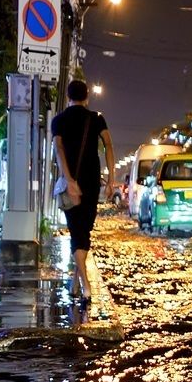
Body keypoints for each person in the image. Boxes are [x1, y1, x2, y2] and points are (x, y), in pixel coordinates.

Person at [51, 79, 115, 305]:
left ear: (68, 97)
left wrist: (69, 180)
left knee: (78, 231)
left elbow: (58, 149)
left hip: (71, 183)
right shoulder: (96, 118)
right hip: (91, 182)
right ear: (86, 97)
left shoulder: (59, 120)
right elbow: (108, 145)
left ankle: (77, 282)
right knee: (82, 232)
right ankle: (85, 284)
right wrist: (112, 179)